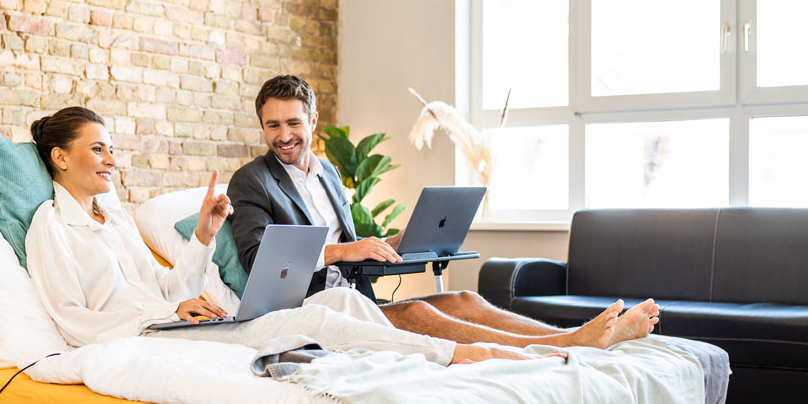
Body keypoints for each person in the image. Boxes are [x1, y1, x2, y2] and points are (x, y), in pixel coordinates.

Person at [23, 107, 557, 366]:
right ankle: (461, 357)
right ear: (60, 158)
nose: (113, 160)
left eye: (112, 148)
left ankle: (478, 351)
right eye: (98, 150)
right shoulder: (51, 226)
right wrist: (157, 318)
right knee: (319, 316)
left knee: (345, 304)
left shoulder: (114, 220)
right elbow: (74, 321)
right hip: (143, 337)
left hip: (167, 323)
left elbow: (170, 292)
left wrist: (206, 235)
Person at [227, 75, 659, 350]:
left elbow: (348, 246)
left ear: (313, 121)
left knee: (464, 299)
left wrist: (396, 243)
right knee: (418, 314)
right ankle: (567, 343)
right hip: (307, 309)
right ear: (262, 126)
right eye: (273, 126)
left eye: (293, 124)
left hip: (354, 297)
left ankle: (567, 339)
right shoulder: (252, 180)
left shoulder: (328, 174)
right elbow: (257, 255)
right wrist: (344, 252)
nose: (283, 136)